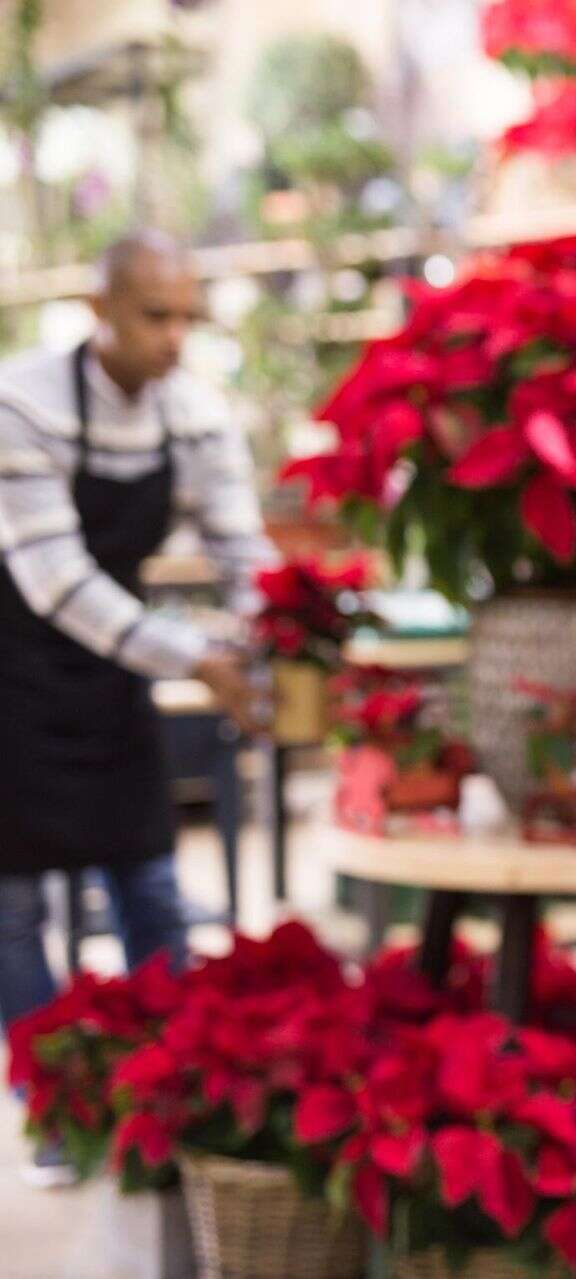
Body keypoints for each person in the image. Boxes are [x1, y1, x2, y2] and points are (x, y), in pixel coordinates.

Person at [0, 231, 274, 1183]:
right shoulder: (21, 403)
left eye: (185, 318)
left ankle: (166, 1093)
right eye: (155, 316)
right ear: (99, 307)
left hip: (109, 675)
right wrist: (198, 657)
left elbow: (244, 552)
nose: (173, 338)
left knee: (151, 888)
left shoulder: (192, 414)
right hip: (14, 673)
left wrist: (276, 642)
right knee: (11, 908)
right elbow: (55, 580)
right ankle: (55, 1110)